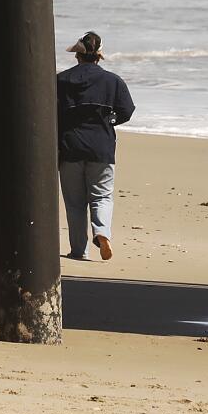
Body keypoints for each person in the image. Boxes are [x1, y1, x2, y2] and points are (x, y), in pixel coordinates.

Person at [57, 31, 135, 262]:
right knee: (101, 196)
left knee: (75, 203)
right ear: (99, 56)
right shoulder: (113, 81)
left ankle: (79, 250)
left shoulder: (61, 80)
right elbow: (127, 111)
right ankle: (102, 232)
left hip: (70, 146)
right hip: (101, 147)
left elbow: (50, 112)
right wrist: (108, 121)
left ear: (77, 56)